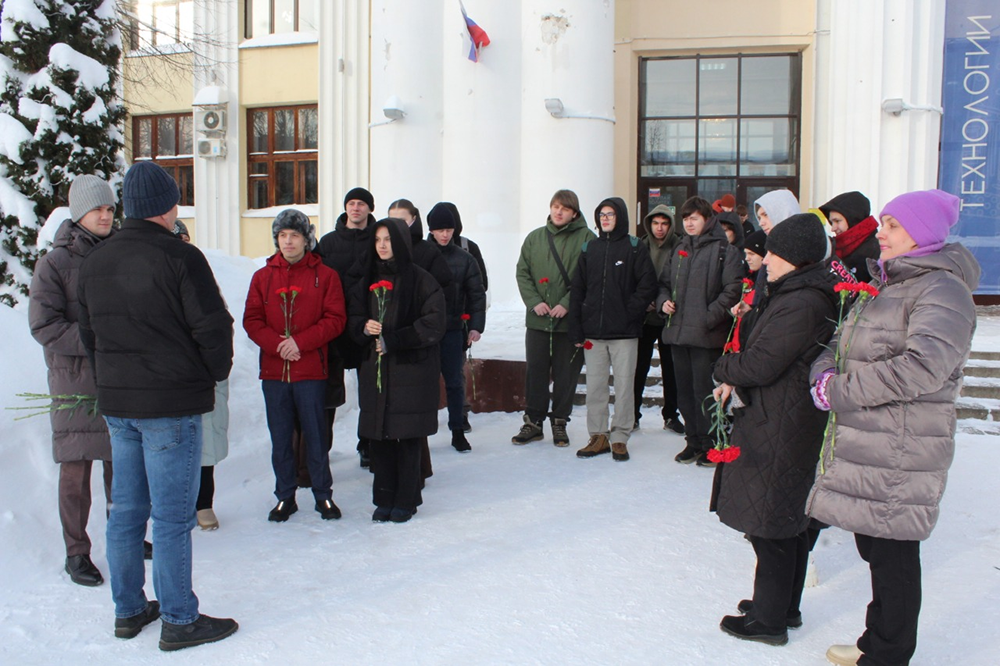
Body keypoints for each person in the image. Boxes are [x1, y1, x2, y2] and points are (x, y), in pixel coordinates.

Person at [807, 190, 979, 666]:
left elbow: (923, 367)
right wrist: (823, 374)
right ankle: (877, 643)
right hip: (872, 440)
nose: (880, 232)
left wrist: (838, 391)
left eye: (892, 225)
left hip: (903, 446)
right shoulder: (891, 284)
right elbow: (840, 341)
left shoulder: (942, 290)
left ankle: (888, 654)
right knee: (876, 550)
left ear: (921, 234)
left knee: (893, 557)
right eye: (883, 222)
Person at [78, 161, 237, 650]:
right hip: (170, 405)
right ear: (166, 206)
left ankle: (128, 610)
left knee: (126, 510)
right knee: (170, 517)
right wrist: (211, 372)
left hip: (121, 405)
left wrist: (114, 380)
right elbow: (213, 328)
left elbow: (90, 335)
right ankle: (179, 618)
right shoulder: (180, 258)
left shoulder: (96, 261)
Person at [709, 213, 838, 646]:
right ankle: (782, 604)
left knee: (773, 523)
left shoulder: (803, 301)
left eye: (774, 255)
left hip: (781, 421)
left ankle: (769, 620)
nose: (766, 263)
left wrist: (723, 366)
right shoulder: (795, 292)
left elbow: (763, 362)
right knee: (786, 519)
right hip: (780, 416)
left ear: (797, 258)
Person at [29, 175, 116, 586]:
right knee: (76, 473)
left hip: (119, 379)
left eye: (111, 208)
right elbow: (44, 324)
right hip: (75, 384)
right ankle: (76, 552)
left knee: (124, 466)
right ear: (79, 212)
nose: (106, 214)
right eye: (98, 208)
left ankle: (126, 536)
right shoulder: (56, 263)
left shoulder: (119, 253)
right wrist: (93, 340)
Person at [244, 209, 346, 523]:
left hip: (310, 371)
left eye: (295, 235)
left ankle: (323, 495)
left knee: (316, 435)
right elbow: (252, 320)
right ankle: (285, 496)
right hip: (275, 373)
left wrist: (299, 342)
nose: (288, 241)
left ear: (306, 239)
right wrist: (277, 344)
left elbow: (335, 319)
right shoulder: (263, 277)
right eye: (283, 235)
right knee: (281, 438)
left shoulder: (325, 275)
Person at [347, 218, 446, 523]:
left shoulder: (420, 279)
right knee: (380, 438)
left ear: (401, 241)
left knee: (407, 438)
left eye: (388, 239)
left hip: (410, 372)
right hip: (375, 371)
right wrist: (363, 326)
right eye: (377, 239)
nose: (382, 245)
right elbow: (350, 316)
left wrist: (395, 339)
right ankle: (384, 498)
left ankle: (406, 499)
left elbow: (434, 321)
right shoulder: (365, 279)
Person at [656, 196, 743, 466]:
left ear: (707, 219)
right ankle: (693, 441)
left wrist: (708, 317)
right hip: (678, 333)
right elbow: (663, 284)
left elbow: (732, 290)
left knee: (705, 391)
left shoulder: (724, 250)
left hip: (707, 335)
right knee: (683, 391)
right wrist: (663, 302)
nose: (689, 223)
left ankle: (711, 443)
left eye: (694, 218)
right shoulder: (679, 248)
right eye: (685, 218)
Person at [569, 197, 657, 462]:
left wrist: (629, 311)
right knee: (595, 387)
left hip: (625, 334)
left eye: (610, 214)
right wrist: (576, 326)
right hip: (593, 333)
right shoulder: (589, 249)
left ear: (621, 217)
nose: (605, 219)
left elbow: (647, 285)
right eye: (601, 215)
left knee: (624, 386)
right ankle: (598, 436)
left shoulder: (634, 248)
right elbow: (578, 290)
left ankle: (620, 436)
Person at [512, 190, 596, 447]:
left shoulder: (586, 239)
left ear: (574, 212)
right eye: (555, 206)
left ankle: (560, 422)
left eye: (565, 208)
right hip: (538, 322)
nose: (558, 212)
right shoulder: (535, 238)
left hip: (568, 324)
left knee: (566, 374)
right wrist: (534, 302)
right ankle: (533, 423)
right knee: (535, 373)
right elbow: (522, 272)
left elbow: (590, 277)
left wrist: (567, 304)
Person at [172, 222, 228, 531]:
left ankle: (204, 503)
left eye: (185, 238)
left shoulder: (199, 269)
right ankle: (178, 505)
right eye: (176, 238)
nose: (182, 243)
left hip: (203, 367)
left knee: (205, 441)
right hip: (173, 371)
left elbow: (216, 316)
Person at [318, 187, 376, 469]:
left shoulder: (378, 241)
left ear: (369, 209)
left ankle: (367, 444)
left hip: (367, 326)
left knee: (370, 391)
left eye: (361, 204)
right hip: (335, 327)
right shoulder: (328, 243)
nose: (356, 208)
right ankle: (322, 448)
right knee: (329, 393)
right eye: (351, 203)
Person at [426, 203, 486, 452]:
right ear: (431, 230)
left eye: (449, 229)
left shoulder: (465, 258)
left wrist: (475, 326)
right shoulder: (420, 256)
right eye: (440, 230)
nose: (445, 235)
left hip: (453, 329)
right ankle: (420, 432)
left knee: (454, 382)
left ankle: (458, 429)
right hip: (425, 331)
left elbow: (476, 294)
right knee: (424, 383)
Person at [633, 204, 684, 433]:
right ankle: (632, 414)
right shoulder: (639, 246)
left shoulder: (680, 246)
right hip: (644, 318)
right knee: (639, 368)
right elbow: (631, 278)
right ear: (649, 224)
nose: (660, 228)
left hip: (670, 317)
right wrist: (644, 301)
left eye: (664, 223)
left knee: (671, 370)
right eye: (655, 223)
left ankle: (671, 415)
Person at [819, 191, 880, 283]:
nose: (833, 228)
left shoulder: (877, 250)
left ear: (853, 219)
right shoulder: (834, 247)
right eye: (831, 222)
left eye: (837, 221)